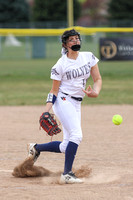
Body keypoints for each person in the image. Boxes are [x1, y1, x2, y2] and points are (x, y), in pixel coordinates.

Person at [27, 29, 102, 184]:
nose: (76, 42)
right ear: (65, 44)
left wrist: (96, 91)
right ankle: (67, 174)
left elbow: (98, 78)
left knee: (65, 146)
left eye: (77, 39)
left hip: (76, 103)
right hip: (63, 100)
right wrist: (46, 110)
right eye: (72, 40)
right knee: (77, 135)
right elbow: (54, 90)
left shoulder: (89, 57)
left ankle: (36, 148)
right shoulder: (60, 65)